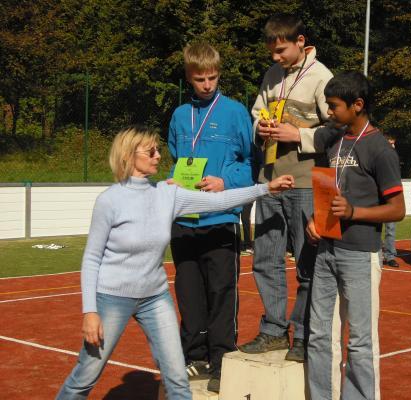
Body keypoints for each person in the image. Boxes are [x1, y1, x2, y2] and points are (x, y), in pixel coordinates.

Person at [56, 126, 294, 399]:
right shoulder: (109, 201)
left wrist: (265, 188)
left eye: (158, 150)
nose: (159, 156)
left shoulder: (167, 194)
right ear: (129, 156)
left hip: (155, 298)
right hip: (112, 297)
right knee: (85, 377)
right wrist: (90, 311)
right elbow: (91, 258)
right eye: (151, 151)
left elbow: (220, 201)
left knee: (178, 378)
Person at [238, 13, 333, 362]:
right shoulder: (271, 75)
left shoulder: (322, 77)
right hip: (270, 181)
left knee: (308, 264)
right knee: (265, 260)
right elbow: (256, 113)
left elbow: (337, 128)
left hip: (307, 182)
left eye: (281, 51)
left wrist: (299, 135)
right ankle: (274, 331)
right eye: (272, 52)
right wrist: (259, 129)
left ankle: (305, 336)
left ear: (300, 42)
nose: (276, 57)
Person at [305, 71, 405, 400]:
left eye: (334, 106)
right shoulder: (334, 140)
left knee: (360, 341)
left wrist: (354, 213)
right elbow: (326, 191)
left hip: (360, 254)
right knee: (320, 335)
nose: (328, 112)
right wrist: (315, 219)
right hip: (326, 250)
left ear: (357, 105)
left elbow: (397, 209)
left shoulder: (380, 149)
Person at [167, 42, 254, 392]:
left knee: (221, 294)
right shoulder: (179, 116)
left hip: (220, 218)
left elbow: (251, 164)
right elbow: (176, 158)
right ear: (189, 77)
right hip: (184, 219)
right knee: (189, 295)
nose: (207, 85)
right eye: (200, 79)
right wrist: (174, 181)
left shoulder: (235, 112)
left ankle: (221, 360)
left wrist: (225, 181)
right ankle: (193, 357)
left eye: (212, 78)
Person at [383, 132, 400, 267]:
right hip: (377, 197)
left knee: (391, 228)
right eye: (390, 144)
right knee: (374, 228)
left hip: (390, 197)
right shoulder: (375, 157)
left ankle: (390, 256)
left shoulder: (394, 158)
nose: (393, 146)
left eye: (394, 144)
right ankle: (375, 254)